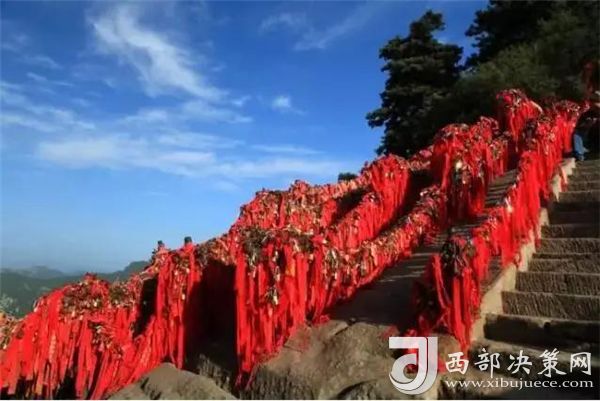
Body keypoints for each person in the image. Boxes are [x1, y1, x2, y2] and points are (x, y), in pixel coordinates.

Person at [573, 90, 600, 161]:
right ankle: (579, 155)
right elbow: (579, 128)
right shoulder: (586, 114)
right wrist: (588, 125)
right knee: (577, 133)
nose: (593, 104)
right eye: (592, 101)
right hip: (591, 141)